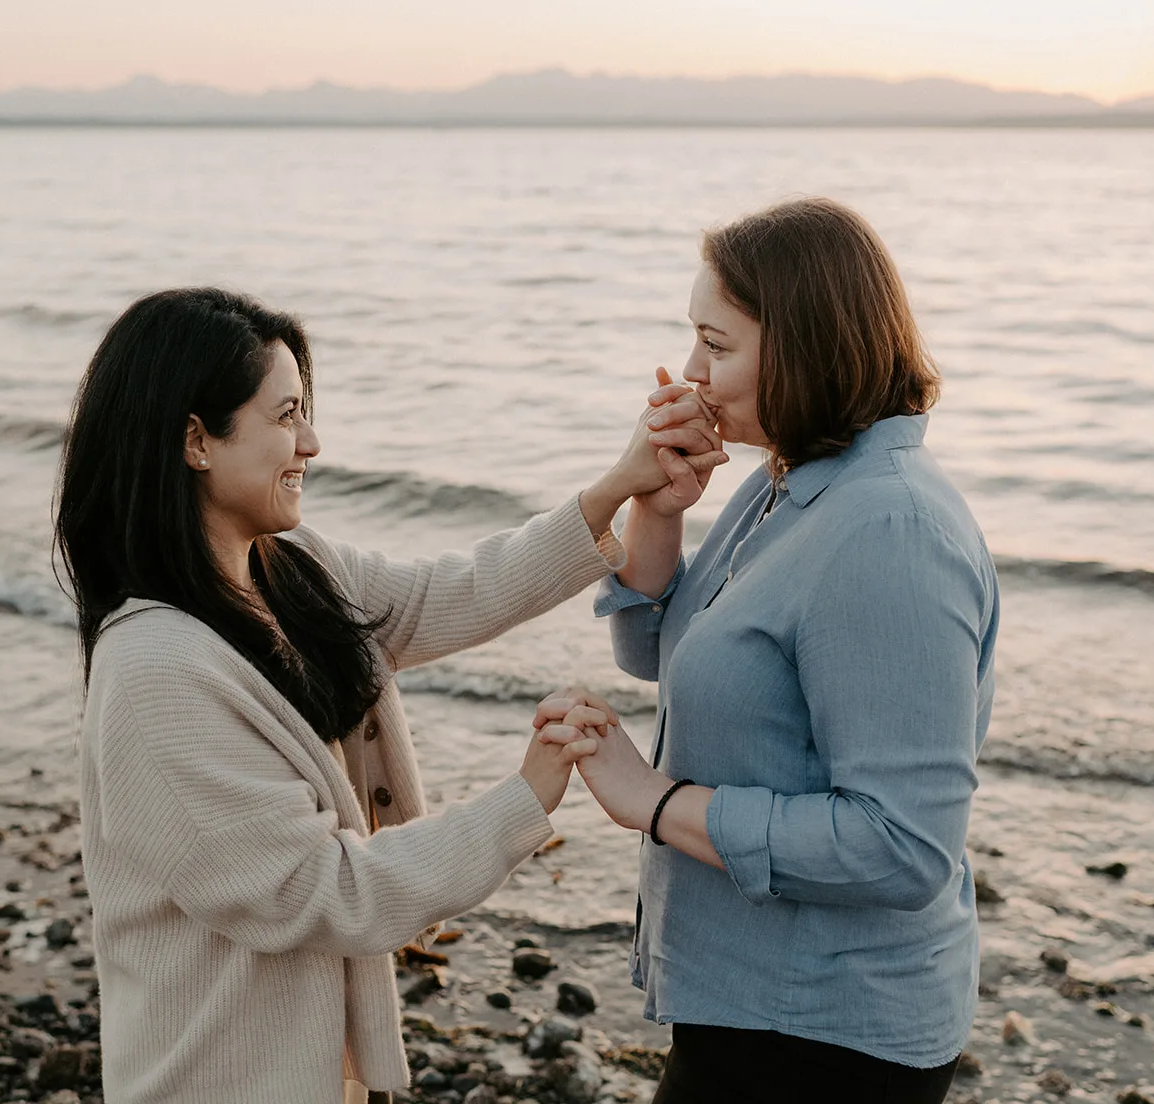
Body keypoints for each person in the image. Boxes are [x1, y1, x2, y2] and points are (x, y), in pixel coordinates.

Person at [52, 287, 726, 1104]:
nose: (312, 441)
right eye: (286, 414)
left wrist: (619, 484)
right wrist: (524, 798)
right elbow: (324, 891)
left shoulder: (290, 570)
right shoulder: (155, 670)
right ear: (196, 439)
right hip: (214, 1077)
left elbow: (451, 592)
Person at [536, 197, 1000, 1104]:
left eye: (720, 345)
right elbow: (661, 653)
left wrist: (655, 800)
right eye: (693, 340)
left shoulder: (889, 531)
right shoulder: (788, 479)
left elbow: (902, 847)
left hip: (825, 1038)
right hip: (748, 1005)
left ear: (807, 347)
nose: (693, 374)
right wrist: (656, 510)